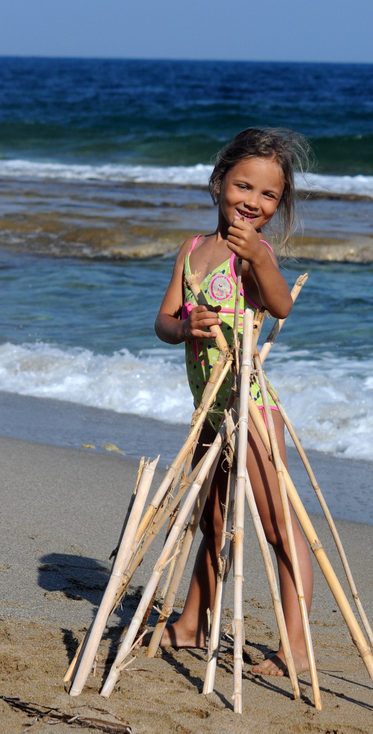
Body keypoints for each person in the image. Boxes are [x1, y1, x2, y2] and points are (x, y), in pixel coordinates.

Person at [153, 127, 313, 676]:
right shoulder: (193, 249)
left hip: (250, 406)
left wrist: (260, 262)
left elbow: (281, 305)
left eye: (269, 195)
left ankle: (296, 646)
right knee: (214, 521)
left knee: (278, 525)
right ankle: (193, 623)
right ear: (220, 181)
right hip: (209, 407)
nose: (253, 201)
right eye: (244, 186)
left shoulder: (254, 252)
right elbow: (163, 321)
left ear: (279, 204)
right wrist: (184, 327)